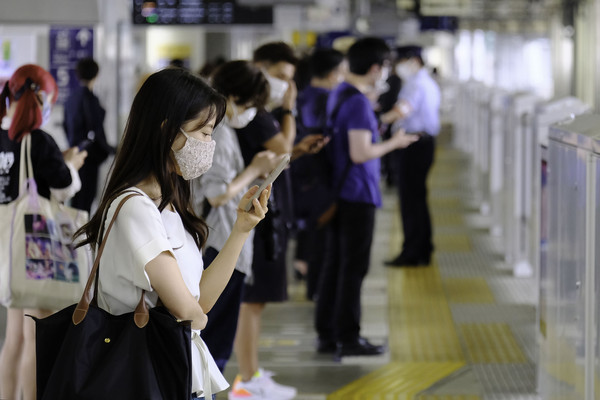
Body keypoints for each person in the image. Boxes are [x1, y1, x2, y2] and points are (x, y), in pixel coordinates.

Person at [74, 67, 270, 400]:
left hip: (174, 371)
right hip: (148, 375)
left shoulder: (167, 205)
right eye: (205, 132)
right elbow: (186, 310)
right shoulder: (135, 208)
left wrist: (241, 229)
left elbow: (199, 301)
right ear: (168, 132)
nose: (210, 144)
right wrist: (197, 317)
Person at [314, 38, 418, 359]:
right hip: (356, 194)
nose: (386, 72)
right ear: (375, 68)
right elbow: (361, 153)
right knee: (353, 268)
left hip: (340, 192)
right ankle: (349, 336)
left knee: (335, 264)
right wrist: (395, 143)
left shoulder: (340, 94)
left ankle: (328, 333)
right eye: (385, 66)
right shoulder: (357, 102)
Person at [0, 64, 87, 400]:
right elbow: (63, 186)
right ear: (43, 99)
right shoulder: (38, 139)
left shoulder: (4, 137)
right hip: (34, 245)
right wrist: (71, 167)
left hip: (9, 247)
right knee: (35, 337)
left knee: (14, 338)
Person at [191, 60, 282, 374]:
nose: (249, 111)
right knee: (213, 338)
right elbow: (217, 194)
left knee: (214, 338)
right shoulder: (220, 131)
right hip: (221, 241)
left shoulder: (219, 129)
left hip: (226, 240)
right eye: (246, 103)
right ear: (231, 95)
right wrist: (254, 171)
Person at [229, 41, 300, 400]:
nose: (285, 85)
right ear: (259, 68)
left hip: (261, 215)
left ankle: (250, 372)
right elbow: (282, 149)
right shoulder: (257, 115)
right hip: (253, 218)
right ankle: (247, 377)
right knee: (249, 301)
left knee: (252, 301)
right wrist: (289, 109)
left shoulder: (258, 115)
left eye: (290, 80)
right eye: (279, 76)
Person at [291, 47, 346, 299]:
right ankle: (317, 289)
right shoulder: (326, 99)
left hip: (300, 173)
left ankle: (309, 277)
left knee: (311, 229)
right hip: (319, 174)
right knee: (322, 235)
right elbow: (325, 138)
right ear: (334, 72)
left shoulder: (301, 96)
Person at [382, 45, 441, 267]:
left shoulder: (417, 84)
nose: (398, 67)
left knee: (410, 200)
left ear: (414, 60)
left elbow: (401, 111)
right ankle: (422, 247)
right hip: (423, 143)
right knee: (417, 198)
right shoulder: (425, 82)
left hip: (414, 144)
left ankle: (413, 252)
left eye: (401, 61)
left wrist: (375, 120)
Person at [63, 57, 116, 213]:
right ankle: (81, 233)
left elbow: (66, 126)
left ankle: (73, 231)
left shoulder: (71, 99)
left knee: (76, 197)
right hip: (88, 156)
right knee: (86, 198)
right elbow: (96, 130)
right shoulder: (90, 99)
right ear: (96, 75)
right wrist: (110, 149)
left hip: (74, 152)